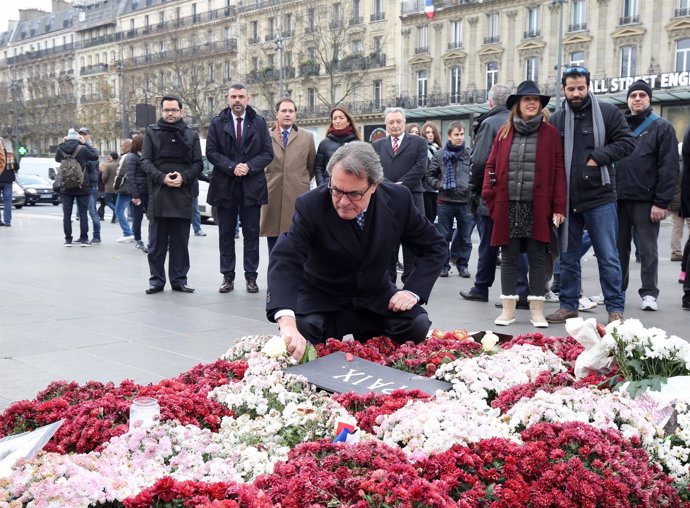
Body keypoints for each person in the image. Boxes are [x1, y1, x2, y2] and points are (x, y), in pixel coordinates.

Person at [266, 141, 447, 360]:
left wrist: (412, 291)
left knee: (416, 325)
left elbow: (434, 246)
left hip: (375, 296)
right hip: (322, 296)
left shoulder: (398, 199)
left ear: (374, 186)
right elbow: (286, 258)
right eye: (336, 190)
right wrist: (286, 321)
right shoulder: (310, 205)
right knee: (300, 335)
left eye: (354, 194)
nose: (342, 202)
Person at [546, 66, 635, 324]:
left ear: (588, 87)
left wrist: (598, 156)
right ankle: (568, 305)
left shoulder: (607, 112)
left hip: (600, 196)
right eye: (571, 88)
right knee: (568, 256)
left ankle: (615, 308)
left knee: (608, 255)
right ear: (563, 89)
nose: (576, 93)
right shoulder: (556, 119)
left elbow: (627, 143)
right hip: (568, 200)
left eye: (581, 88)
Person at [481, 81, 567, 328]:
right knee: (508, 258)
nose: (532, 103)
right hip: (507, 205)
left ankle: (536, 311)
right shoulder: (504, 132)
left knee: (538, 257)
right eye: (527, 99)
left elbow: (559, 171)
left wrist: (559, 206)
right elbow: (490, 165)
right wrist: (490, 196)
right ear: (517, 104)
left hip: (537, 205)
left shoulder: (550, 133)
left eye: (536, 100)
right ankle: (508, 310)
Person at [460, 83, 531, 305]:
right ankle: (520, 290)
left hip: (490, 195)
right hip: (518, 193)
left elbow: (479, 160)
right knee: (516, 244)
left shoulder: (490, 123)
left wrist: (473, 187)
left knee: (489, 244)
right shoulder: (520, 121)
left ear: (490, 102)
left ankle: (482, 287)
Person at [615, 79, 679, 312]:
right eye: (633, 95)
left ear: (649, 99)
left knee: (648, 250)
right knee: (618, 250)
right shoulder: (618, 125)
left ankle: (650, 294)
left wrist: (661, 202)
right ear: (628, 100)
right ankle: (616, 291)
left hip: (647, 201)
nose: (638, 98)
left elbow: (669, 167)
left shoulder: (662, 127)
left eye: (642, 95)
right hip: (618, 199)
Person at [206, 83, 273, 294]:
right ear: (228, 99)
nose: (237, 100)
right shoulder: (217, 123)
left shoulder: (259, 123)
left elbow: (267, 153)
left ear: (248, 99)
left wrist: (249, 167)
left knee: (251, 234)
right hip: (225, 186)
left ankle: (251, 277)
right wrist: (232, 167)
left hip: (251, 186)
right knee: (226, 234)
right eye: (233, 96)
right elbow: (211, 152)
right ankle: (227, 277)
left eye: (241, 97)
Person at [140, 96, 203, 294]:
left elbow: (198, 164)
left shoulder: (191, 135)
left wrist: (183, 178)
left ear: (181, 112)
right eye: (167, 110)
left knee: (180, 243)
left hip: (183, 193)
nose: (170, 114)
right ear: (161, 111)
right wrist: (162, 178)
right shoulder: (151, 132)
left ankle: (179, 280)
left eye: (174, 110)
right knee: (156, 243)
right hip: (159, 192)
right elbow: (145, 161)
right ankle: (156, 280)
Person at [372, 107, 428, 283]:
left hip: (412, 196)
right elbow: (374, 169)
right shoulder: (377, 145)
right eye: (391, 122)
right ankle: (388, 281)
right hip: (385, 198)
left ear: (404, 123)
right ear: (386, 124)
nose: (395, 125)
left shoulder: (419, 142)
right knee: (387, 240)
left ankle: (411, 280)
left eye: (398, 122)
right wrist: (390, 186)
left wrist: (401, 185)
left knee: (412, 239)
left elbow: (421, 167)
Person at [261, 97, 316, 253]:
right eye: (283, 111)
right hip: (272, 194)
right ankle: (275, 275)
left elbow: (311, 165)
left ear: (295, 115)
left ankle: (294, 276)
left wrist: (299, 181)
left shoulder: (307, 137)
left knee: (296, 239)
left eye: (291, 111)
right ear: (276, 114)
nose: (287, 114)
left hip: (296, 195)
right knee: (273, 240)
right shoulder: (266, 135)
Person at [424, 122, 473, 278]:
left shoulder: (469, 154)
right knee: (443, 236)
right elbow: (429, 176)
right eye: (456, 134)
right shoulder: (440, 154)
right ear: (449, 136)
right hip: (445, 201)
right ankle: (443, 266)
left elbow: (477, 173)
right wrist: (440, 185)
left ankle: (462, 265)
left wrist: (471, 187)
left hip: (465, 201)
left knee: (465, 237)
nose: (459, 138)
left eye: (461, 134)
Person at [55, 128, 100, 246]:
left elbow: (57, 159)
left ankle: (68, 239)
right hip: (82, 185)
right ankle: (84, 238)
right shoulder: (83, 149)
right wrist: (84, 143)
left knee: (67, 214)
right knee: (83, 213)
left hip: (66, 186)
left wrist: (64, 143)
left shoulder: (61, 148)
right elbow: (95, 156)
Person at [314, 106, 361, 186]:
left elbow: (361, 168)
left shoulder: (357, 143)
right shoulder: (324, 143)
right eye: (334, 118)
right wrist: (322, 185)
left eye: (341, 118)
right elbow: (318, 168)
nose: (337, 121)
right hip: (329, 188)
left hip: (350, 188)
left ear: (348, 121)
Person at [125, 134, 148, 252]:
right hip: (139, 192)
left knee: (150, 216)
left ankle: (150, 239)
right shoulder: (132, 157)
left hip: (146, 190)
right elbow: (130, 177)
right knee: (137, 217)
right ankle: (138, 239)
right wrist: (135, 195)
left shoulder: (142, 156)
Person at [78, 128, 102, 244]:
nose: (82, 136)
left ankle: (97, 236)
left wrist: (84, 146)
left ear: (89, 136)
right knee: (81, 212)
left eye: (84, 134)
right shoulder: (78, 148)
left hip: (90, 184)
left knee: (92, 211)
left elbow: (92, 165)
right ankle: (83, 235)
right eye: (80, 134)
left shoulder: (92, 149)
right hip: (79, 184)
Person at [114, 140, 135, 243]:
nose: (121, 147)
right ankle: (135, 233)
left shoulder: (125, 157)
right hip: (134, 187)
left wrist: (116, 186)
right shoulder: (137, 156)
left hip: (125, 188)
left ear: (126, 146)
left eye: (122, 145)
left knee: (118, 210)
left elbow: (121, 174)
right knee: (135, 212)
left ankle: (127, 233)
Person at [421, 121, 441, 222]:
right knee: (428, 218)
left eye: (432, 132)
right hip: (425, 188)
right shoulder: (422, 148)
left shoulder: (438, 148)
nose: (430, 135)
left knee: (433, 217)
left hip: (437, 188)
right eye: (428, 132)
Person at [0, 138, 10, 227]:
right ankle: (7, 221)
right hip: (8, 180)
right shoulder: (9, 153)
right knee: (7, 201)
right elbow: (16, 166)